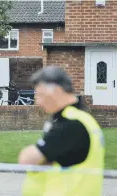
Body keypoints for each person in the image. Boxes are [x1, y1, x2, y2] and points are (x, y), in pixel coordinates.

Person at [18, 66, 105, 196]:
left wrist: (42, 158)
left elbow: (26, 159)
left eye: (40, 95)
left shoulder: (70, 124)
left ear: (57, 91)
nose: (38, 102)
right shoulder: (83, 118)